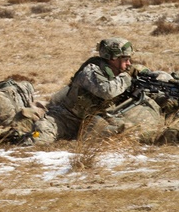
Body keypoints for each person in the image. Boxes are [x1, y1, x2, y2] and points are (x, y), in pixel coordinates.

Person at [34, 37, 162, 144]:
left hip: (94, 120)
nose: (129, 63)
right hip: (66, 118)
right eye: (125, 59)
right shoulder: (91, 70)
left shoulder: (119, 71)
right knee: (38, 136)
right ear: (113, 58)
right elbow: (107, 91)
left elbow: (140, 71)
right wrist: (128, 78)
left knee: (128, 132)